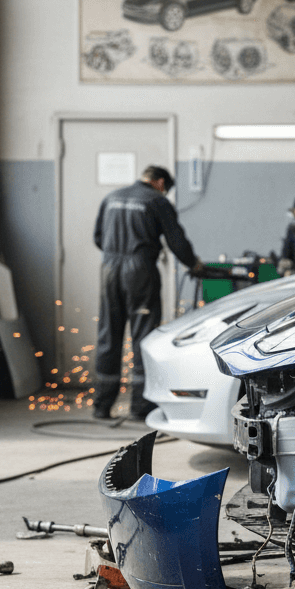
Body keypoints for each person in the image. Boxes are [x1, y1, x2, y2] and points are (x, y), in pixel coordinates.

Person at [92, 165, 202, 419]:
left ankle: (101, 405)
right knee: (143, 336)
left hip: (109, 268)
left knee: (109, 333)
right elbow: (177, 242)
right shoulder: (156, 201)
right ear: (161, 183)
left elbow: (98, 237)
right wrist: (194, 264)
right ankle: (140, 407)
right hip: (139, 271)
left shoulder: (112, 197)